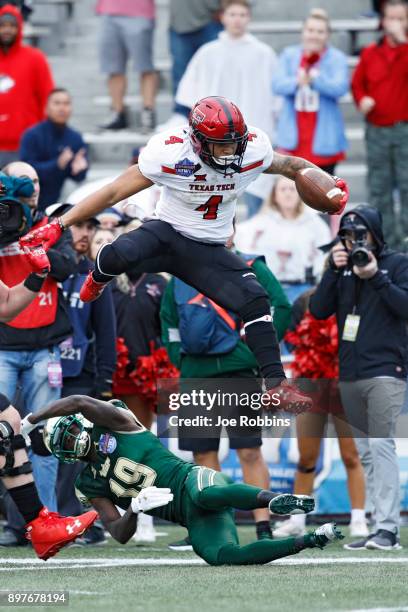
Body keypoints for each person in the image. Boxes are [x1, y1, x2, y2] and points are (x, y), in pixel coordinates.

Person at [20, 95, 349, 413]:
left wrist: (327, 180)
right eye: (222, 145)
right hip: (167, 234)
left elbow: (292, 166)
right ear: (197, 142)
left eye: (235, 144)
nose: (231, 153)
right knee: (120, 253)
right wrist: (61, 223)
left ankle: (276, 385)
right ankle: (98, 277)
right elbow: (114, 191)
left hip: (208, 249)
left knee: (255, 298)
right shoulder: (170, 152)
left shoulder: (252, 149)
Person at [22, 395, 344, 565]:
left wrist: (33, 418)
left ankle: (272, 501)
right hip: (190, 517)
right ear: (64, 456)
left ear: (81, 423)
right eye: (64, 443)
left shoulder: (117, 420)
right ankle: (311, 540)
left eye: (72, 432)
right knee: (221, 557)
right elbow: (119, 533)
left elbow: (79, 401)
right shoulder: (88, 484)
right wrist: (134, 508)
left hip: (195, 479)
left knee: (204, 495)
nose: (73, 441)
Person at [160, 237, 291, 548]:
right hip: (195, 376)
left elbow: (281, 307)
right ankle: (214, 527)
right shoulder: (179, 274)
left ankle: (263, 527)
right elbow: (168, 322)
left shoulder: (251, 266)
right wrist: (180, 358)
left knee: (248, 450)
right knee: (202, 455)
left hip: (239, 373)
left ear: (230, 230)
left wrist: (254, 352)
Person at [309, 206, 408, 551]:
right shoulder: (342, 268)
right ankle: (379, 525)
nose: (355, 243)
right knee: (366, 451)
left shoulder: (397, 264)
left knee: (380, 445)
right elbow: (318, 310)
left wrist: (376, 276)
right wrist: (333, 272)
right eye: (349, 237)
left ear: (376, 235)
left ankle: (389, 530)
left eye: (361, 236)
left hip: (385, 370)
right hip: (349, 372)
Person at [0, 161, 76, 547]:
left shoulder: (49, 224)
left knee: (22, 429)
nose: (28, 191)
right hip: (4, 350)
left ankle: (40, 522)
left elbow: (9, 303)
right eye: (19, 185)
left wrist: (35, 258)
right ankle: (26, 522)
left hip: (43, 346)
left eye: (32, 184)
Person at [272, 289, 368, 539]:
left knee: (351, 456)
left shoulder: (356, 299)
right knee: (306, 459)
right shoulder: (305, 300)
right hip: (312, 384)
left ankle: (358, 518)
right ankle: (297, 519)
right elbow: (292, 340)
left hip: (346, 385)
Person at [167, 0, 277, 216]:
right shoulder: (207, 53)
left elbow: (275, 97)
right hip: (216, 136)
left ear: (249, 18)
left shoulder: (264, 54)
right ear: (223, 17)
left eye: (242, 15)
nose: (237, 20)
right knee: (218, 193)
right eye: (232, 14)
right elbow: (190, 95)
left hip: (253, 128)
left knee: (255, 188)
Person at [49, 203, 116, 546]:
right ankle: (23, 522)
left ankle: (76, 521)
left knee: (74, 454)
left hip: (79, 377)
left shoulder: (95, 273)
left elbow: (106, 331)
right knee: (32, 449)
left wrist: (104, 380)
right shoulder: (43, 269)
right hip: (41, 369)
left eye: (90, 227)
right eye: (78, 226)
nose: (85, 233)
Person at [351, 0, 408, 248]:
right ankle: (387, 243)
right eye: (391, 18)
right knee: (379, 188)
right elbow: (357, 83)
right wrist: (362, 99)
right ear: (382, 21)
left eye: (400, 18)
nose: (394, 23)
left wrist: (404, 41)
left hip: (404, 129)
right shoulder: (371, 52)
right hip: (377, 130)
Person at [273, 9, 348, 179]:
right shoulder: (289, 55)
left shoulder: (336, 58)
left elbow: (340, 87)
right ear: (303, 32)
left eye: (320, 31)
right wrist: (297, 82)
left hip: (323, 132)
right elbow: (277, 85)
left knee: (323, 188)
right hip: (294, 131)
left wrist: (315, 80)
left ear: (327, 35)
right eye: (310, 30)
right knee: (292, 187)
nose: (314, 36)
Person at [235, 176, 331, 299]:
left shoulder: (314, 224)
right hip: (270, 288)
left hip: (303, 288)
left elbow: (323, 256)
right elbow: (245, 247)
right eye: (283, 189)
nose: (288, 193)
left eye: (292, 189)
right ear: (274, 194)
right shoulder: (260, 224)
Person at [0, 4, 54, 167]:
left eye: (12, 25)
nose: (7, 30)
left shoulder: (35, 58)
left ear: (20, 27)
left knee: (21, 191)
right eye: (2, 25)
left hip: (25, 147)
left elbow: (47, 98)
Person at [20, 88, 89, 211]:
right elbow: (26, 172)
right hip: (29, 202)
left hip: (59, 203)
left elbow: (79, 177)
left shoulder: (75, 138)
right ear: (46, 108)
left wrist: (80, 169)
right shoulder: (32, 135)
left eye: (66, 103)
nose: (62, 108)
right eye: (57, 103)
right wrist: (57, 164)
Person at [96, 0, 158, 133]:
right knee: (113, 68)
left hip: (139, 12)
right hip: (109, 11)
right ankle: (118, 113)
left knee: (144, 66)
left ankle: (148, 112)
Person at [169, 0, 222, 119]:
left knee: (214, 73)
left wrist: (228, 7)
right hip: (181, 22)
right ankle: (182, 114)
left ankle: (218, 114)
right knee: (181, 73)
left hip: (212, 20)